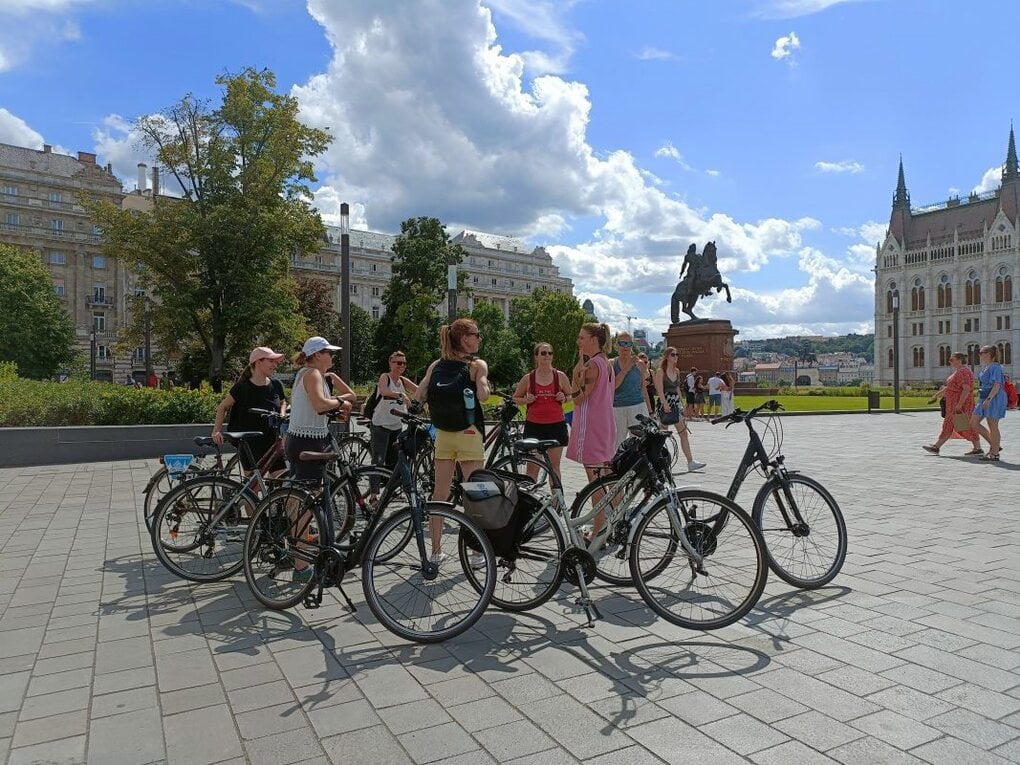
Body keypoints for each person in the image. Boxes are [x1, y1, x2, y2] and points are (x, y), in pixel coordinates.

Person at [416, 318, 489, 567]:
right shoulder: (476, 365)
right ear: (464, 338)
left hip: (443, 433)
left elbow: (419, 394)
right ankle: (477, 551)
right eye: (476, 334)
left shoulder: (437, 364)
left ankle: (435, 551)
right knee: (475, 492)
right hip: (469, 433)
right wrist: (484, 385)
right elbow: (483, 395)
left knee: (440, 493)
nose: (479, 339)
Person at [286, 337, 355, 580]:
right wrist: (341, 400)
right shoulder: (313, 374)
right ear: (316, 355)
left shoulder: (309, 373)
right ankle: (300, 566)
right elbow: (318, 404)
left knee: (305, 502)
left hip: (304, 439)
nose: (332, 357)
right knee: (306, 507)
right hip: (308, 443)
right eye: (329, 353)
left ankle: (300, 555)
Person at [567, 322, 616, 538]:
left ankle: (599, 532)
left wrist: (574, 376)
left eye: (581, 337)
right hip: (604, 426)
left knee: (595, 484)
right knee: (605, 478)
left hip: (592, 429)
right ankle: (611, 525)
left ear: (593, 340)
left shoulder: (593, 365)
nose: (578, 341)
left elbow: (578, 399)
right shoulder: (606, 363)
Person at [212, 347, 288, 475]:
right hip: (249, 442)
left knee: (281, 483)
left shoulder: (276, 384)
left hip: (271, 439)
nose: (275, 365)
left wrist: (282, 413)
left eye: (276, 362)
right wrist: (216, 431)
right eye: (271, 361)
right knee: (254, 487)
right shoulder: (242, 387)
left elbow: (283, 402)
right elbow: (223, 407)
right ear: (258, 362)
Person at [512, 342, 572, 483]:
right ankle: (529, 500)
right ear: (536, 357)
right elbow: (516, 398)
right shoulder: (529, 378)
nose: (547, 356)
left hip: (556, 425)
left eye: (550, 353)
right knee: (532, 467)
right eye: (543, 353)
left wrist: (564, 397)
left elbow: (570, 396)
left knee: (554, 467)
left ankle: (557, 502)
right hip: (534, 426)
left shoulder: (560, 376)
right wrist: (526, 399)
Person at [369, 351, 418, 499]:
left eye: (403, 363)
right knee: (378, 460)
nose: (401, 366)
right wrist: (401, 395)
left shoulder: (402, 381)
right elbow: (384, 390)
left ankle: (392, 491)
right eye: (398, 363)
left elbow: (418, 389)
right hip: (380, 425)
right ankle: (373, 495)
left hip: (396, 426)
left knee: (395, 461)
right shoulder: (386, 377)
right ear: (390, 363)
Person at [655, 348, 706, 473]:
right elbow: (659, 389)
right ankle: (656, 462)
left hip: (675, 404)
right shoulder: (661, 371)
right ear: (667, 356)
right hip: (665, 404)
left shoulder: (677, 371)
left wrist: (681, 404)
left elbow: (677, 388)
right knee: (662, 435)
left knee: (683, 433)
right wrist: (664, 403)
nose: (676, 357)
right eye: (673, 355)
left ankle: (690, 462)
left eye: (677, 355)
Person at [922, 352, 980, 456]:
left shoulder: (963, 371)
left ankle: (937, 447)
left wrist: (959, 404)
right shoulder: (959, 371)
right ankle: (977, 448)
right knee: (954, 425)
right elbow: (949, 387)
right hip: (953, 404)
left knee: (962, 425)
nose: (950, 362)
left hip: (958, 405)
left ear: (959, 360)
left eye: (951, 359)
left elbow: (966, 389)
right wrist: (937, 395)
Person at [611, 332, 652, 448]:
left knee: (640, 443)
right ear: (616, 346)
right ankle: (618, 466)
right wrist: (625, 369)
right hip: (618, 408)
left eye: (628, 343)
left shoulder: (640, 364)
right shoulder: (612, 364)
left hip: (637, 406)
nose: (625, 346)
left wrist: (649, 410)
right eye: (622, 343)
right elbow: (613, 386)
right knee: (617, 444)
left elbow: (643, 387)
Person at [970, 345, 1007, 461]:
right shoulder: (987, 366)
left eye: (981, 352)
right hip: (985, 396)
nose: (979, 355)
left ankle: (994, 453)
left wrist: (988, 399)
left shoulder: (995, 367)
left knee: (993, 425)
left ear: (989, 354)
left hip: (994, 397)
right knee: (973, 422)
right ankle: (995, 445)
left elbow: (997, 385)